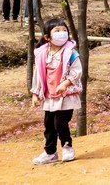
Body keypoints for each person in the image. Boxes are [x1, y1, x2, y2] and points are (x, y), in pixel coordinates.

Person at [30, 17, 82, 164]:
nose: (62, 33)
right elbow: (38, 75)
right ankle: (50, 152)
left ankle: (67, 147)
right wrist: (35, 93)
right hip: (49, 97)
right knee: (49, 125)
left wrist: (65, 83)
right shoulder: (42, 54)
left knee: (60, 123)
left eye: (64, 30)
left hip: (65, 96)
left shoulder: (70, 52)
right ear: (47, 37)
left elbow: (77, 71)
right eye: (57, 31)